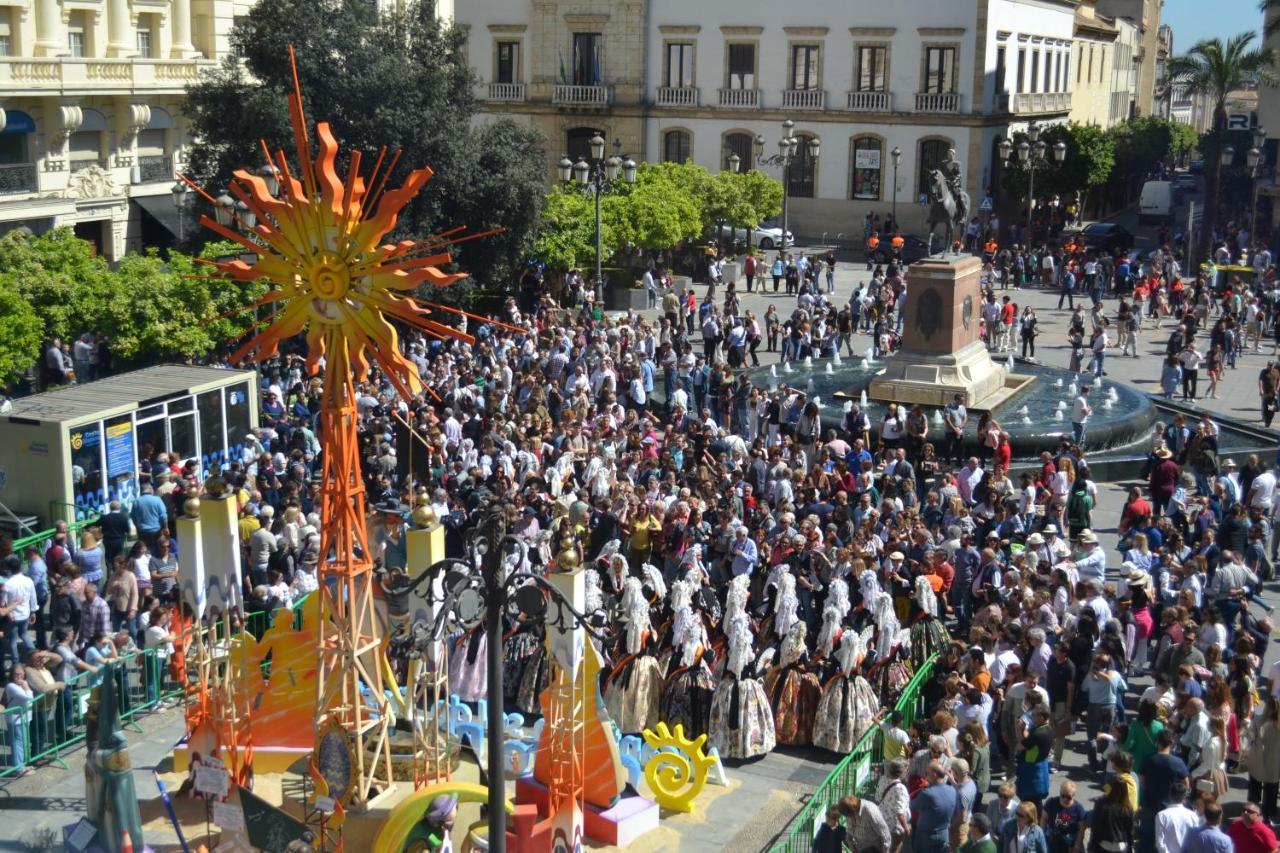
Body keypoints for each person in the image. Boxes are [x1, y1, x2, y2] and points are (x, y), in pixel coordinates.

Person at [912, 761, 959, 853]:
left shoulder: (927, 794)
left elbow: (912, 805)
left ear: (934, 775)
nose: (925, 776)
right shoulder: (952, 790)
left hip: (926, 837)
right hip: (944, 834)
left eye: (926, 773)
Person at [1155, 781, 1201, 853]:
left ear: (1170, 795)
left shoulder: (1161, 815)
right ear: (1185, 797)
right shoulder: (1193, 816)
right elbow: (1196, 840)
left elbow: (1159, 843)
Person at [1041, 782, 1086, 853]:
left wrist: (1077, 846)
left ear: (1073, 795)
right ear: (1060, 793)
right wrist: (1042, 835)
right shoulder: (1051, 802)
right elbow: (1044, 819)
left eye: (1068, 797)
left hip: (1070, 842)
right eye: (1062, 795)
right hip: (1052, 840)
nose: (1065, 799)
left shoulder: (1078, 808)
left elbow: (1082, 829)